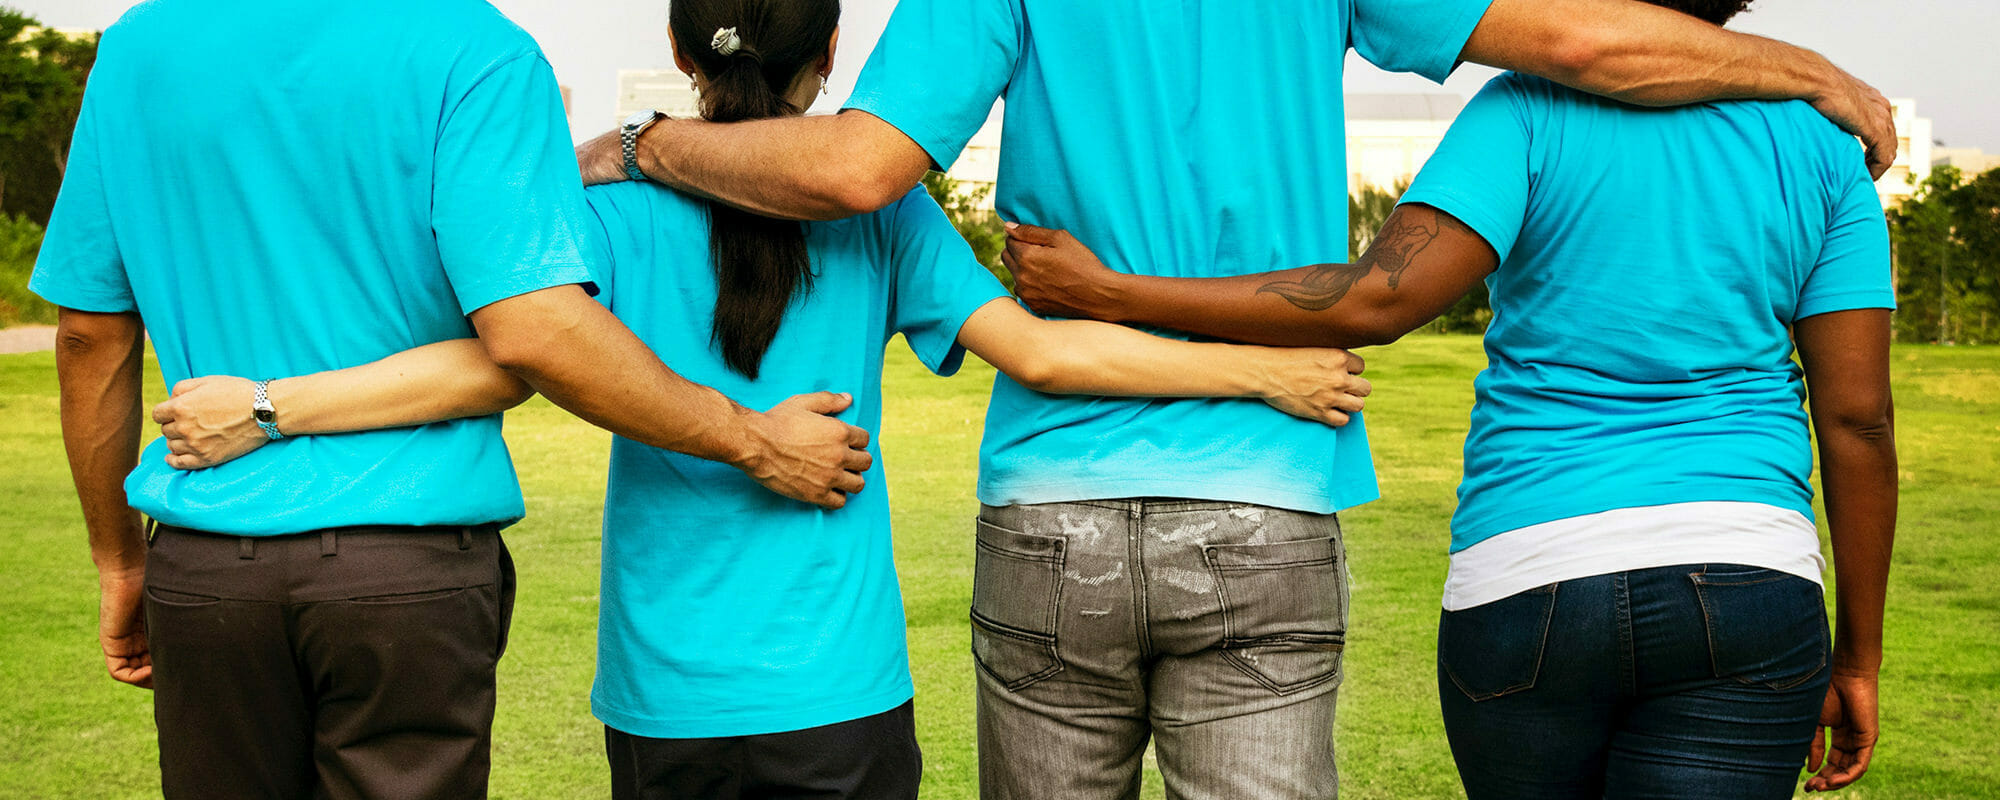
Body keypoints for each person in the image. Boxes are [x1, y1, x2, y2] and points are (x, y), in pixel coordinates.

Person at [576, 0, 1896, 796]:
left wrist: (645, 144)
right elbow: (1579, 39)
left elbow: (860, 166)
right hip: (1266, 498)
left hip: (1052, 512)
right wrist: (1803, 69)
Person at [147, 0, 1373, 796]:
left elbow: (508, 355)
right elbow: (1049, 356)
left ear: (683, 52)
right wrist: (1259, 367)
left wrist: (273, 403)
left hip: (663, 690)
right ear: (828, 57)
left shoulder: (609, 207)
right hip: (838, 689)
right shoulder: (883, 215)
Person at [998, 0, 1896, 795]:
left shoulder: (1525, 110)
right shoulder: (1822, 150)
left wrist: (1116, 293)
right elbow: (1856, 418)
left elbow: (1377, 298)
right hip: (1749, 573)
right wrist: (1857, 655)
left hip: (1531, 573)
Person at [29, 0, 875, 796]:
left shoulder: (139, 45)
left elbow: (89, 338)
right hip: (408, 568)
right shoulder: (478, 48)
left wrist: (118, 561)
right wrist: (753, 440)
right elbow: (534, 335)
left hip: (207, 563)